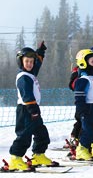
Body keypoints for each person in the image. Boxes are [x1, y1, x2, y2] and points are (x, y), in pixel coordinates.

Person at [8, 42, 55, 171]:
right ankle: (15, 159)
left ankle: (38, 155)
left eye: (31, 61)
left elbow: (37, 64)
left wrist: (40, 52)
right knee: (24, 135)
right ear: (21, 62)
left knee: (41, 133)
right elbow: (27, 96)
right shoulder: (23, 77)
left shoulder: (31, 73)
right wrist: (33, 110)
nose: (29, 64)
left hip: (33, 110)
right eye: (26, 61)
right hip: (26, 110)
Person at [65, 47, 93, 149]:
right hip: (88, 107)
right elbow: (78, 95)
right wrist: (81, 109)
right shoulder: (83, 79)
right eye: (92, 61)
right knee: (88, 129)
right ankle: (82, 148)